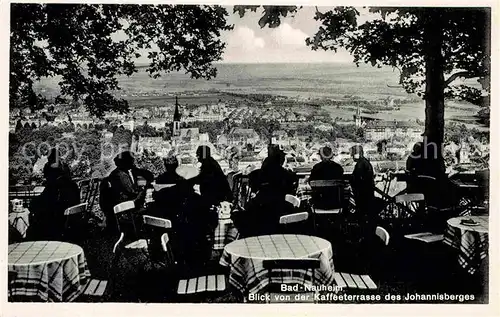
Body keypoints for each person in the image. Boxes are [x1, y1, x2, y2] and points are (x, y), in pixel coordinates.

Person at [239, 145, 298, 237]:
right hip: (278, 207)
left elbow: (254, 187)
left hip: (260, 207)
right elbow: (290, 187)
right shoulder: (285, 174)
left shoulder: (258, 173)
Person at [29, 158, 80, 240]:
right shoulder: (72, 184)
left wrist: (32, 203)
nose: (46, 178)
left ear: (51, 174)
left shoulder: (54, 185)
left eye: (46, 175)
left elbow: (42, 201)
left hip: (58, 222)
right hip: (71, 220)